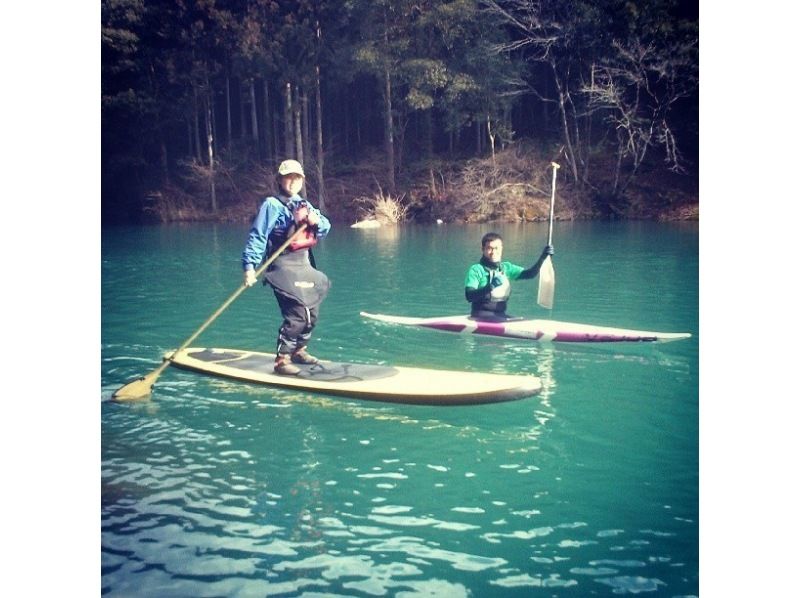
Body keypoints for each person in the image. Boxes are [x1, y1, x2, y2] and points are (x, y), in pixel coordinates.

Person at [242, 159, 332, 375]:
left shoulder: (305, 205)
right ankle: (282, 359)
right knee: (298, 313)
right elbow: (258, 236)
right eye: (288, 177)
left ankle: (299, 351)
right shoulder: (271, 205)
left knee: (313, 311)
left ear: (302, 180)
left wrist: (316, 220)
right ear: (280, 180)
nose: (292, 181)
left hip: (303, 263)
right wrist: (249, 267)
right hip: (281, 265)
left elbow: (325, 228)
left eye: (296, 177)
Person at [464, 232, 553, 320]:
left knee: (522, 321)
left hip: (500, 314)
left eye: (496, 248)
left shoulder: (506, 267)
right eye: (489, 248)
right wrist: (490, 287)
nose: (493, 252)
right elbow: (469, 296)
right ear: (483, 249)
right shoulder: (476, 269)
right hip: (481, 314)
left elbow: (530, 274)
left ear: (501, 249)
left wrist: (543, 257)